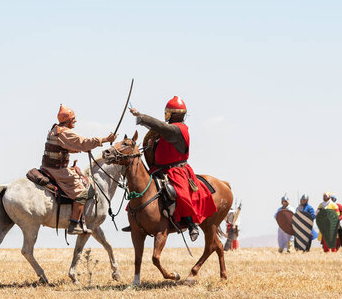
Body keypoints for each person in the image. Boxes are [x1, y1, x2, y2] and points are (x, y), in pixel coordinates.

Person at [128, 96, 217, 241]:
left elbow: (159, 126)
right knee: (140, 188)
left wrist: (140, 115)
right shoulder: (170, 130)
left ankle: (190, 224)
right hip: (159, 169)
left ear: (171, 114)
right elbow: (157, 129)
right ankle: (136, 220)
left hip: (176, 171)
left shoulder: (178, 129)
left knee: (181, 194)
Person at [40, 105, 116, 235]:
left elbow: (70, 146)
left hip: (48, 167)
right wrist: (105, 140)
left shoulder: (55, 130)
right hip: (57, 170)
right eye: (73, 119)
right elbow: (83, 142)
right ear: (67, 120)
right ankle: (74, 223)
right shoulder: (66, 132)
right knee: (82, 192)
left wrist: (82, 148)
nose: (75, 121)